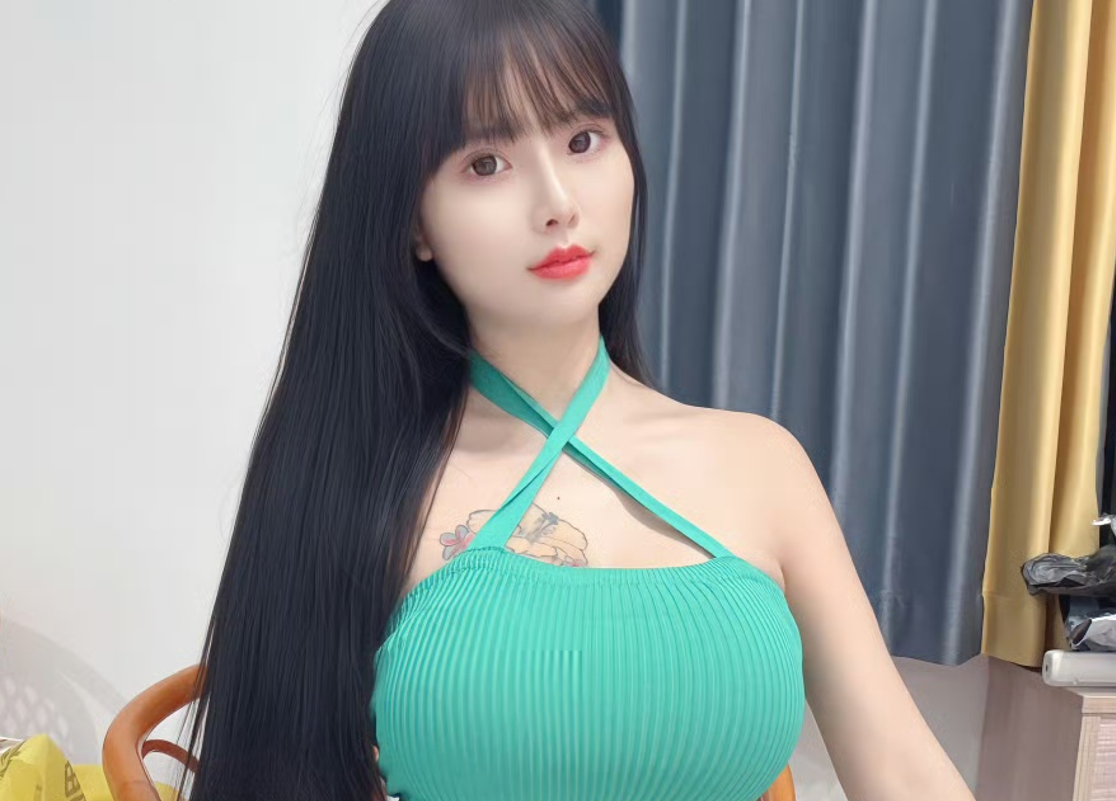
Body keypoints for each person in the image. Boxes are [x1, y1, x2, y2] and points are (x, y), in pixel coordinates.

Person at [175, 1, 977, 799]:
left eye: (583, 139)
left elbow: (901, 768)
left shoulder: (761, 464)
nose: (557, 200)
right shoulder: (347, 476)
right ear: (412, 220)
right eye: (485, 163)